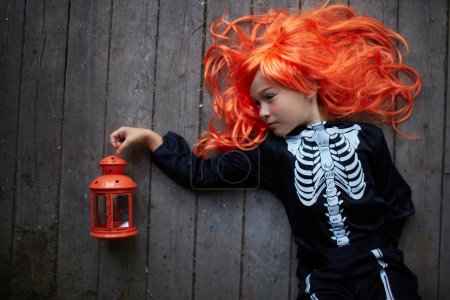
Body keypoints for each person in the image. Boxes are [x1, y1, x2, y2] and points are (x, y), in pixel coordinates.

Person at [110, 4, 422, 299]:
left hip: (378, 266)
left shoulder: (366, 137)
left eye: (269, 97)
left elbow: (398, 204)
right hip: (323, 276)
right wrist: (152, 140)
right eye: (256, 103)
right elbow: (201, 175)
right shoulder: (270, 152)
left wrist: (379, 249)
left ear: (306, 86)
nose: (262, 112)